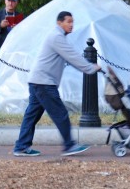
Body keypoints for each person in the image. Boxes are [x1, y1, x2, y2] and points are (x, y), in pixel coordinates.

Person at [13, 11, 100, 157]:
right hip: (44, 83)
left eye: (72, 22)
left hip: (37, 81)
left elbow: (70, 56)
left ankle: (21, 146)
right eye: (68, 22)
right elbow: (72, 56)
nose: (71, 25)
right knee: (60, 113)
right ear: (59, 23)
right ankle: (69, 145)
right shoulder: (56, 37)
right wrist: (90, 68)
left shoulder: (58, 37)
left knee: (31, 116)